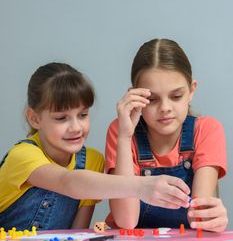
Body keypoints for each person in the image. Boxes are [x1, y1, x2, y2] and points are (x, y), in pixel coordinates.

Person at [0, 62, 190, 231]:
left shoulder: (91, 161)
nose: (75, 128)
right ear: (34, 118)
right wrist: (142, 186)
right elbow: (68, 182)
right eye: (61, 118)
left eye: (82, 115)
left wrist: (125, 135)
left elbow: (76, 234)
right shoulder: (22, 156)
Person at [105, 38, 228, 232]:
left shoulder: (206, 130)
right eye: (152, 99)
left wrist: (213, 218)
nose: (165, 108)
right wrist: (124, 137)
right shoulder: (121, 130)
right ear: (135, 97)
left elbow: (198, 214)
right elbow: (126, 220)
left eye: (176, 96)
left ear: (191, 90)